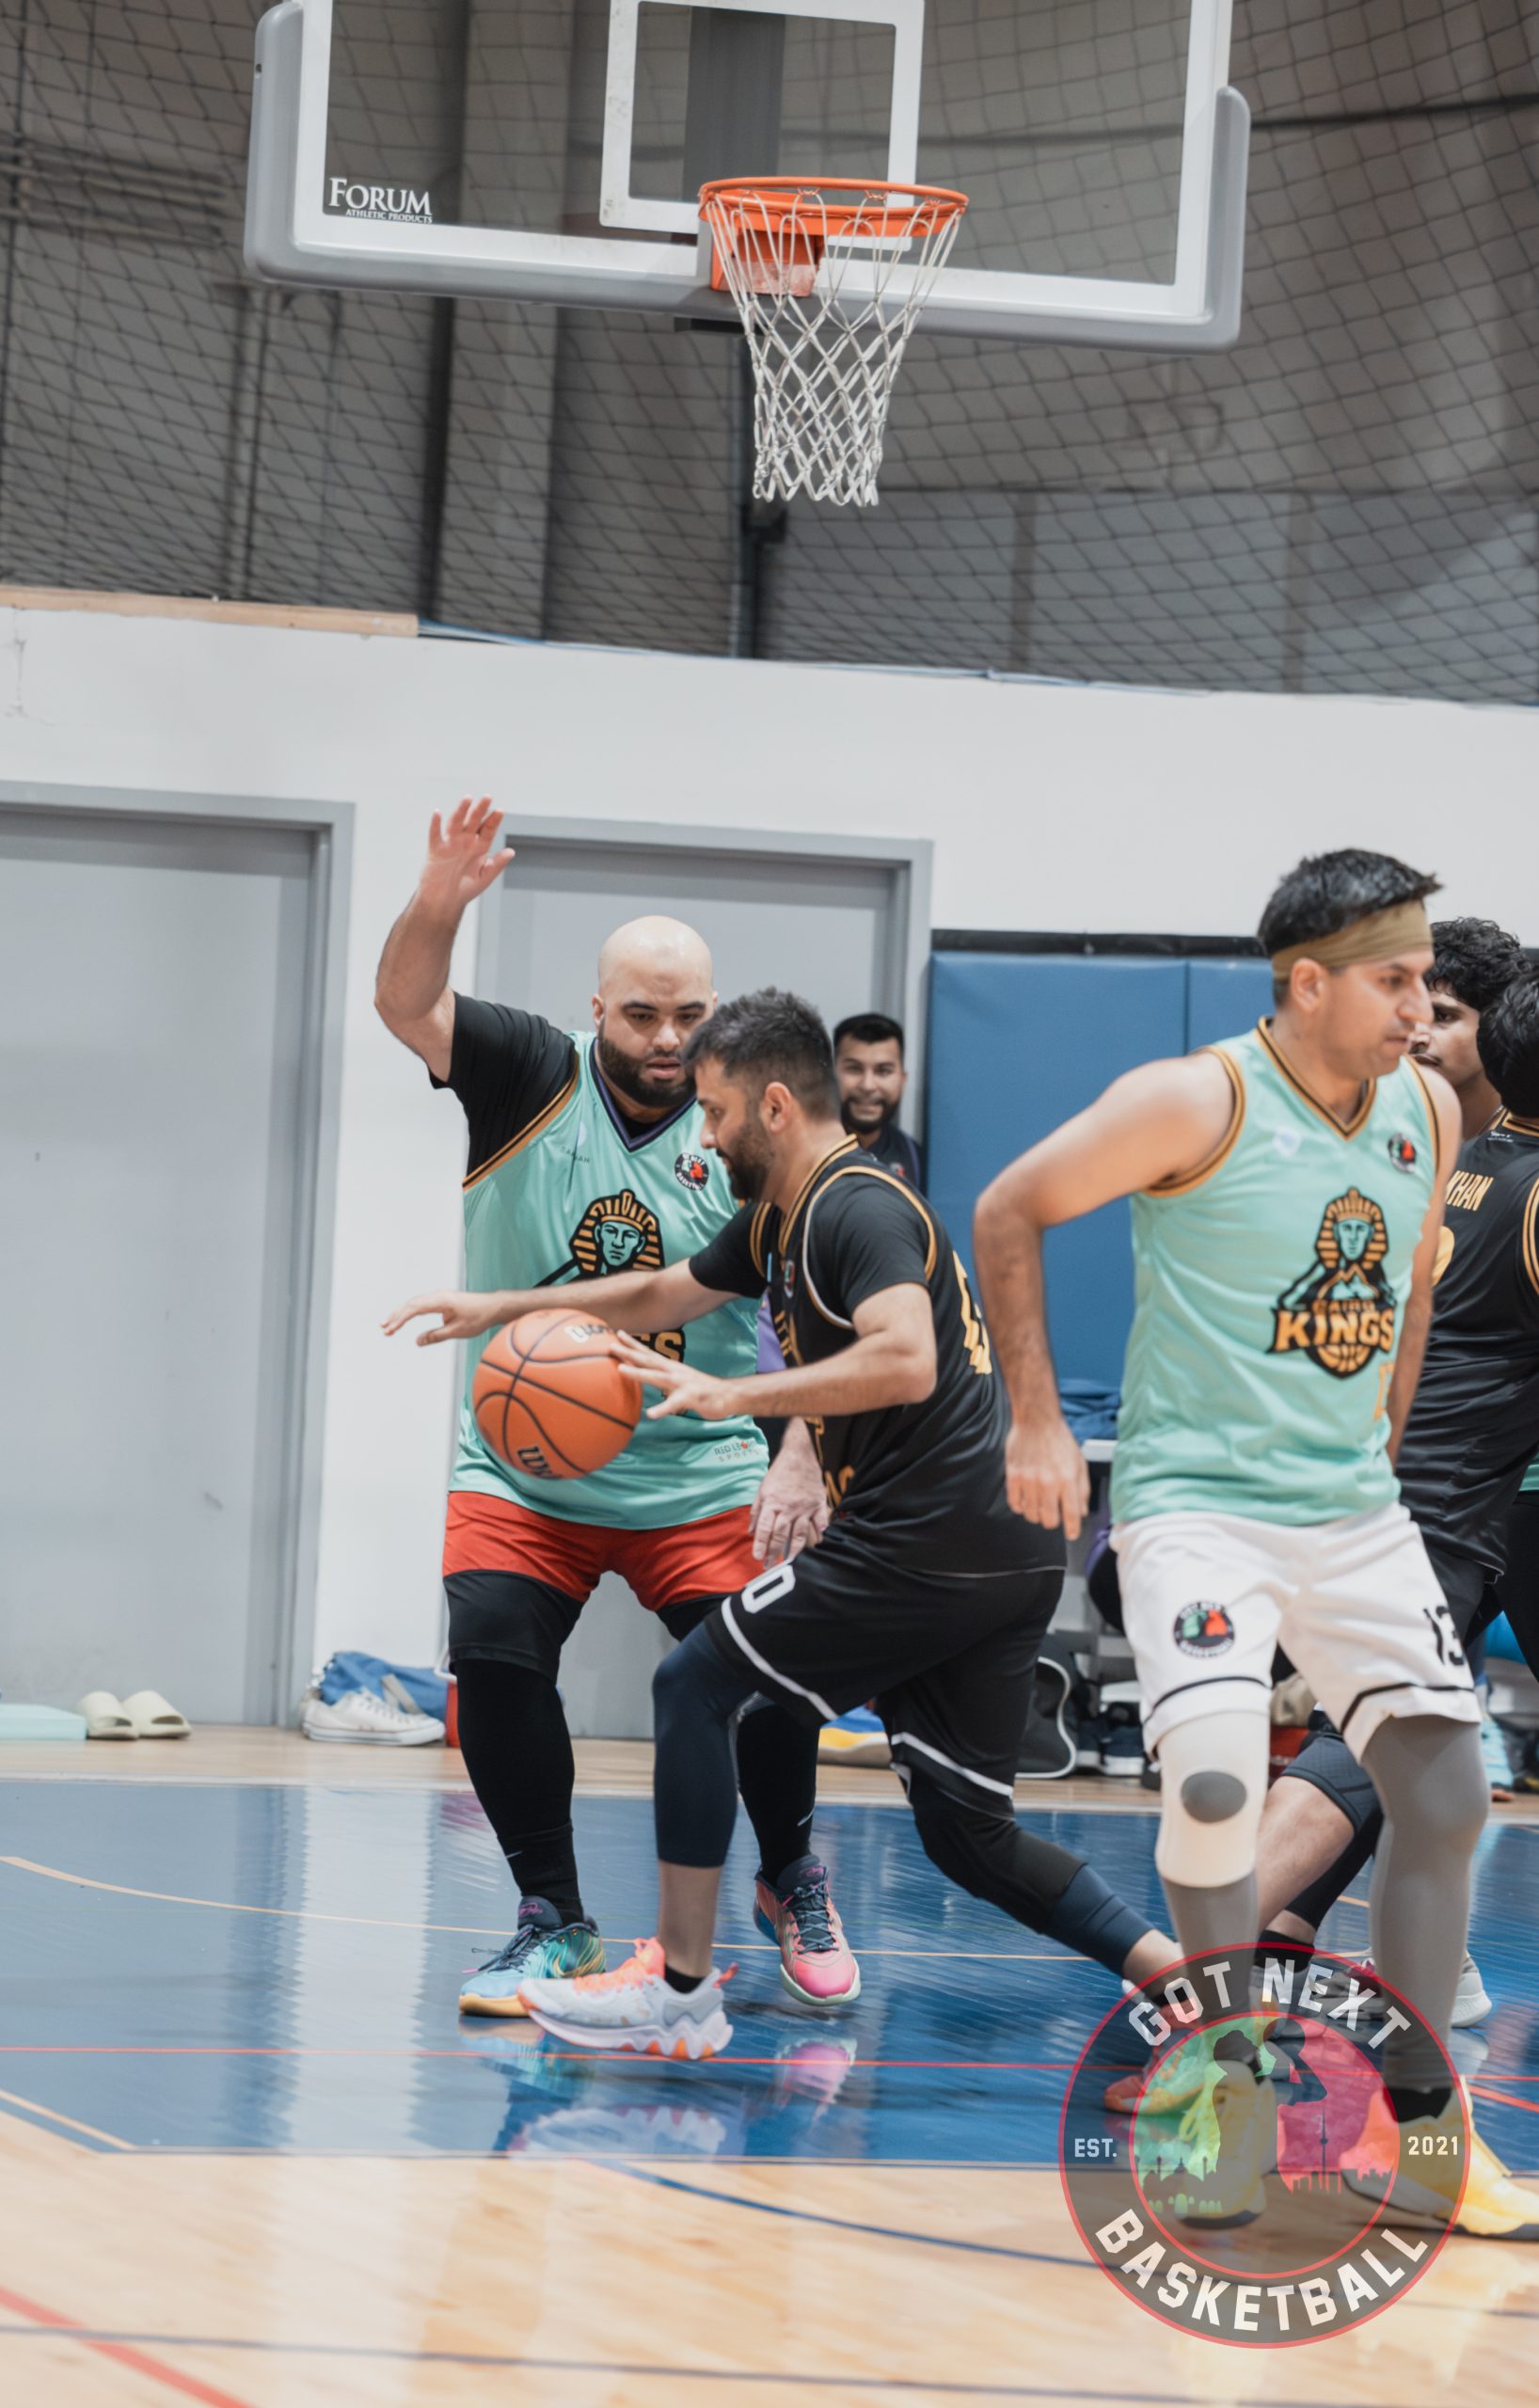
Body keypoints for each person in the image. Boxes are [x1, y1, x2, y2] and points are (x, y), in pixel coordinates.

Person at [405, 989, 1180, 2058]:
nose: (705, 1136)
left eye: (718, 1113)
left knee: (694, 1683)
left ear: (773, 1106)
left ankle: (680, 1990)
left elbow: (904, 1357)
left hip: (921, 1543)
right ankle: (1190, 1982)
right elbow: (666, 1292)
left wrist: (737, 1396)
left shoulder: (854, 1207)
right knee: (970, 1836)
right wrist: (497, 1309)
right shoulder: (782, 1213)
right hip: (1001, 1553)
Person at [974, 847, 1539, 2239]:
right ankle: (1218, 2094)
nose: (1423, 1012)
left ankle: (1423, 2135)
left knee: (1446, 1796)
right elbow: (1007, 1209)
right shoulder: (1195, 1097)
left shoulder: (1424, 1109)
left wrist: (1382, 1445)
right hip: (1200, 1507)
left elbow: (1410, 1297)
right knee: (1221, 1786)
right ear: (1308, 982)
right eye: (1396, 982)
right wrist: (1034, 1418)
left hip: (1353, 1511)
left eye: (1428, 985)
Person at [376, 801, 854, 2016]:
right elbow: (405, 1004)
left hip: (696, 1463)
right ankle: (553, 1918)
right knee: (492, 1647)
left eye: (689, 1016)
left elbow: (825, 1299)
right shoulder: (528, 1073)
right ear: (598, 1008)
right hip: (525, 1458)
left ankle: (789, 1871)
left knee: (768, 1668)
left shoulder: (749, 1125)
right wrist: (437, 905)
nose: (667, 1039)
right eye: (642, 1014)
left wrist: (801, 1447)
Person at [1235, 963, 1539, 1994]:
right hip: (1437, 1513)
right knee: (1364, 1750)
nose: (1418, 1032)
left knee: (1427, 1775)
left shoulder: (1459, 1159)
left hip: (1382, 1491)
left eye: (1444, 1015)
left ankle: (1366, 1966)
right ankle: (1184, 1964)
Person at [1410, 916, 1528, 1141]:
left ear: (1496, 1024)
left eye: (1442, 1016)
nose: (1416, 1036)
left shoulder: (1527, 1142)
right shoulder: (1379, 1126)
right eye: (1408, 1017)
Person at [833, 1011, 923, 1185]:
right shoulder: (803, 1153)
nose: (868, 1086)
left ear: (902, 1079)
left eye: (883, 1071)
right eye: (854, 1069)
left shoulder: (917, 1160)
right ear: (831, 1075)